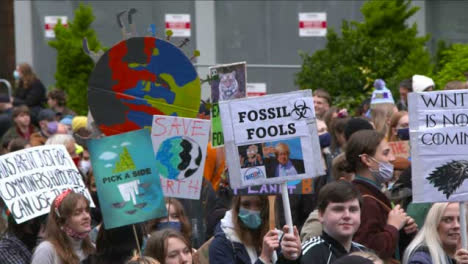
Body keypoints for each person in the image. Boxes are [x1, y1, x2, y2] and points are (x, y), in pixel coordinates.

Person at [346, 130, 418, 261]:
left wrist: (403, 230)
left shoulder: (369, 192)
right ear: (367, 160)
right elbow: (370, 252)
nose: (392, 158)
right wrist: (393, 226)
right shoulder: (366, 200)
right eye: (386, 153)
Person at [209, 195, 302, 263]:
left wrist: (291, 258)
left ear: (266, 209)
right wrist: (263, 259)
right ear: (237, 207)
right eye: (246, 204)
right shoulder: (222, 244)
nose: (252, 211)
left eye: (259, 204)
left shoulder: (278, 239)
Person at [301, 181, 367, 264]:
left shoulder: (364, 253)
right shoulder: (308, 254)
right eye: (338, 209)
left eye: (353, 209)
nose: (347, 215)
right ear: (321, 215)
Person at [31, 189, 94, 264]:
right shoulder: (46, 250)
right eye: (77, 213)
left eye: (87, 210)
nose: (86, 216)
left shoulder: (92, 247)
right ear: (62, 221)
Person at [403, 202, 468, 264]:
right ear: (434, 224)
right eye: (448, 220)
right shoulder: (421, 259)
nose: (456, 225)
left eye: (461, 219)